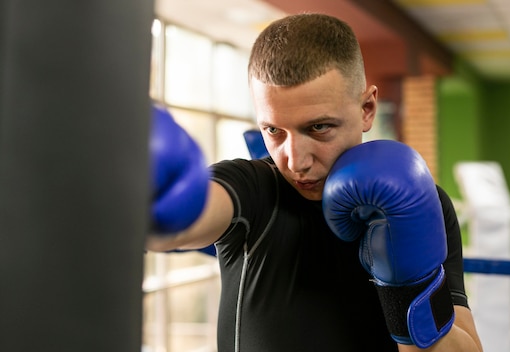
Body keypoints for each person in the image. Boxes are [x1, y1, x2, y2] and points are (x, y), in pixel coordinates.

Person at [147, 13, 483, 352]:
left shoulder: (424, 204)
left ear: (367, 109)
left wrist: (408, 291)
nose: (295, 161)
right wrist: (149, 195)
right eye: (274, 131)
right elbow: (181, 224)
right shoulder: (254, 189)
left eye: (319, 127)